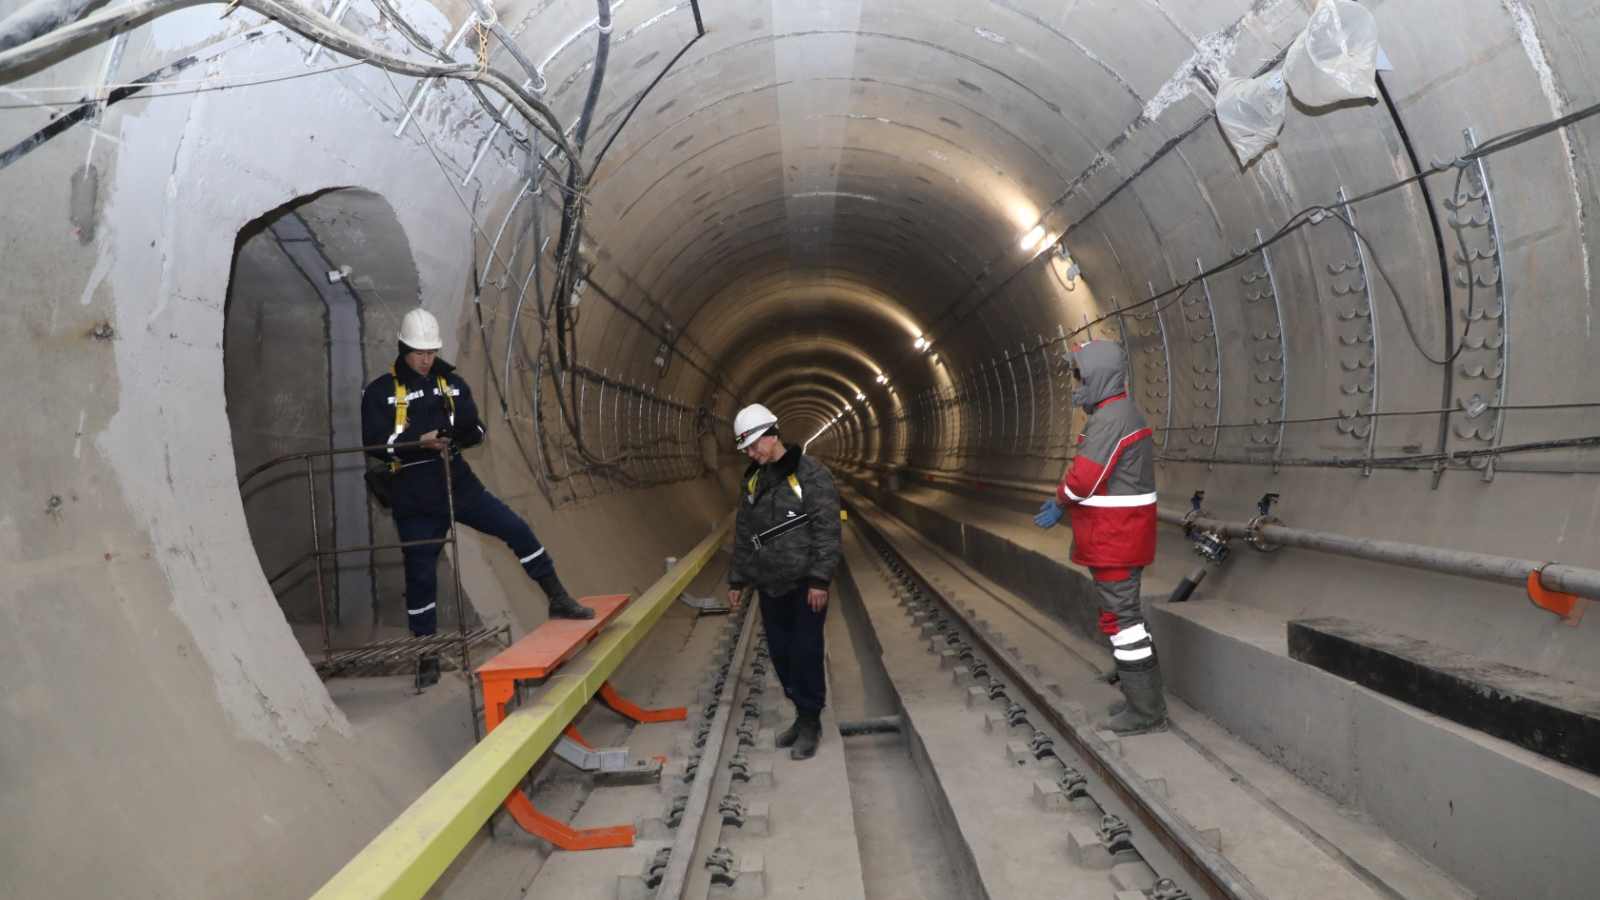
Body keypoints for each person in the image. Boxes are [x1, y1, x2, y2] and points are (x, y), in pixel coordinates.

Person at [362, 308, 593, 689]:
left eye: (431, 352)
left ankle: (558, 597)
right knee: (420, 575)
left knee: (516, 529)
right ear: (404, 348)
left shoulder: (452, 384)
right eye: (419, 352)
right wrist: (415, 443)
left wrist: (462, 433)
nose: (425, 359)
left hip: (459, 485)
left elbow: (478, 432)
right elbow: (375, 443)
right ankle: (427, 653)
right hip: (414, 494)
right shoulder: (380, 392)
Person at [1033, 339, 1165, 735]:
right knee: (1120, 618)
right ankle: (1140, 701)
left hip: (1115, 540)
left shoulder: (1111, 419)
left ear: (1097, 375)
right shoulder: (1118, 413)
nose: (1076, 382)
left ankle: (1146, 711)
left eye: (1079, 374)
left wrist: (1060, 500)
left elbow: (1084, 480)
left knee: (1124, 622)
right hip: (1115, 538)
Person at [725, 403, 842, 760]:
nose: (750, 452)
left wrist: (820, 579)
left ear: (772, 435)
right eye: (746, 448)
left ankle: (810, 721)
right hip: (770, 584)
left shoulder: (810, 474)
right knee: (781, 653)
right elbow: (745, 533)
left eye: (754, 444)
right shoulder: (753, 480)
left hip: (806, 584)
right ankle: (802, 711)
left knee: (805, 652)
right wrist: (737, 578)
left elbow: (827, 528)